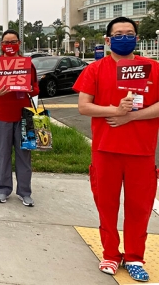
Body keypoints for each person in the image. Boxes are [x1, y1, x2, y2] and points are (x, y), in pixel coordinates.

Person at [73, 17, 159, 282]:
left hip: (141, 152)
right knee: (106, 205)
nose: (125, 37)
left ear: (137, 37)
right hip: (105, 150)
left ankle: (134, 257)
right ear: (108, 39)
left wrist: (131, 116)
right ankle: (110, 253)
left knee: (139, 208)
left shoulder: (153, 68)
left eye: (130, 33)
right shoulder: (95, 70)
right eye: (119, 34)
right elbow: (84, 106)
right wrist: (114, 110)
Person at [0, 29, 39, 207]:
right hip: (1, 115)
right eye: (6, 42)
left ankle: (24, 191)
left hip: (24, 116)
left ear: (19, 43)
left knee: (24, 155)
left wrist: (29, 88)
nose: (9, 45)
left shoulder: (28, 64)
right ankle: (3, 189)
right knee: (3, 154)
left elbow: (36, 88)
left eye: (13, 41)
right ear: (1, 45)